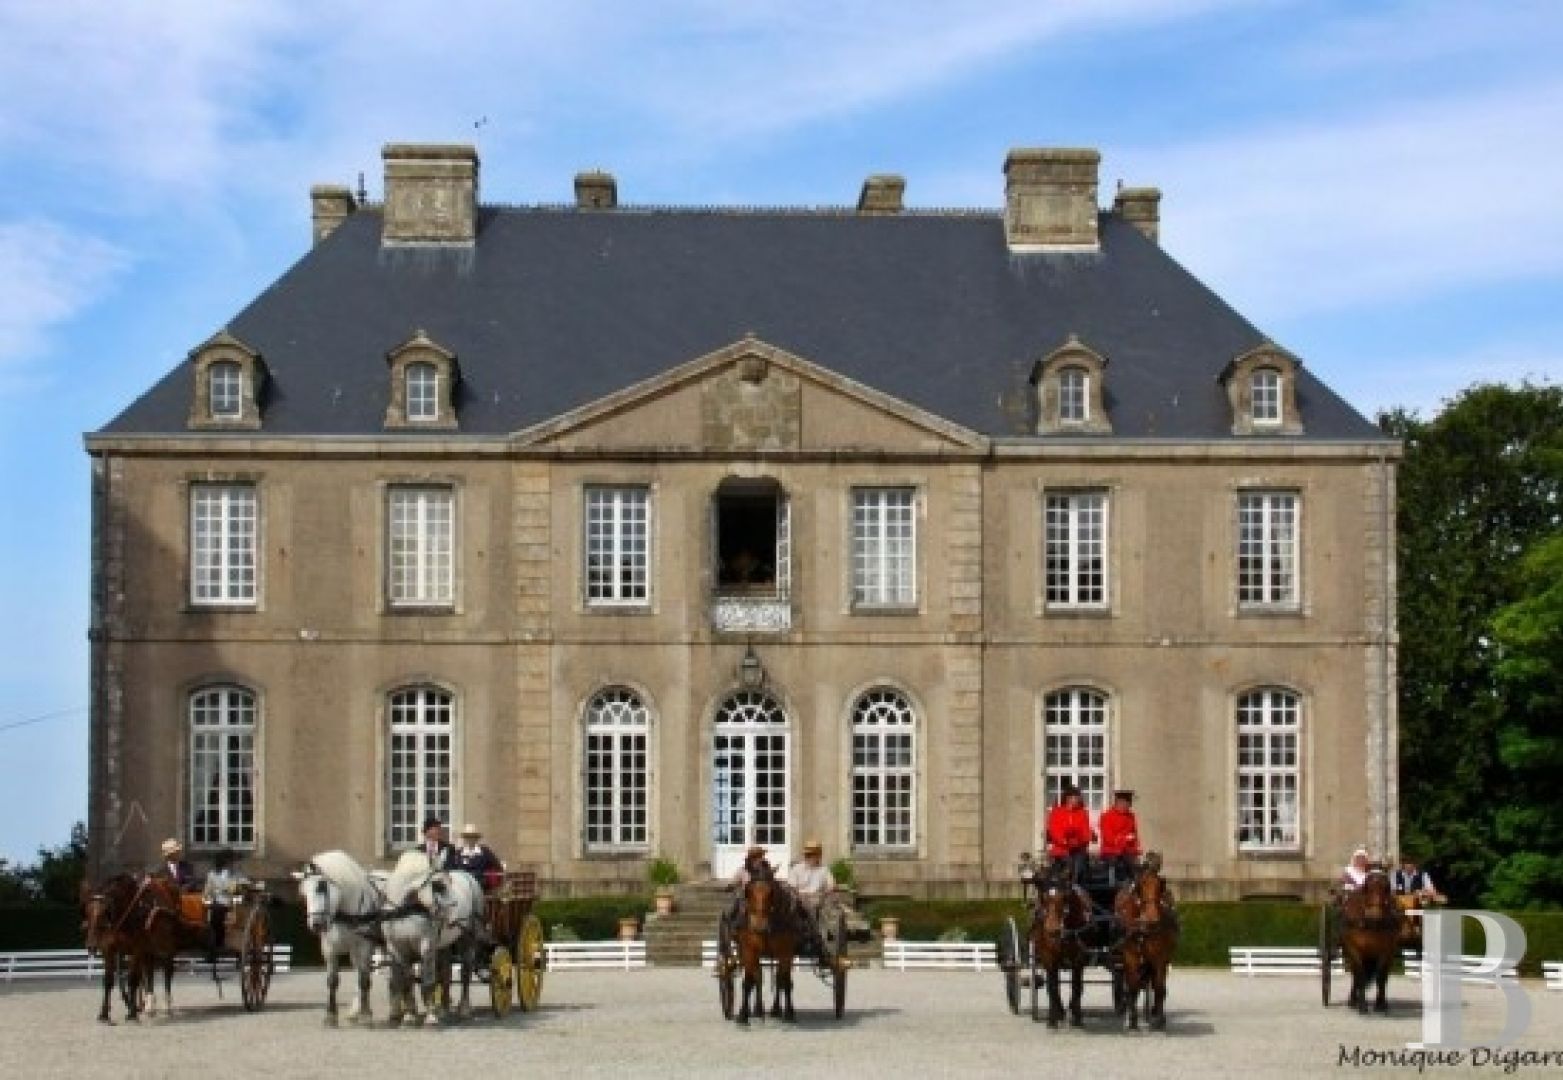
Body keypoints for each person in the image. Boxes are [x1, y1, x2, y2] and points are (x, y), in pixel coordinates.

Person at [787, 839, 837, 952]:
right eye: (808, 855)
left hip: (817, 899)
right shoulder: (797, 869)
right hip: (799, 899)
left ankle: (814, 936)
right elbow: (791, 886)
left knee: (817, 907)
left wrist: (826, 891)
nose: (809, 857)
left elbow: (832, 885)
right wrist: (799, 895)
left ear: (819, 855)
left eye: (812, 855)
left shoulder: (824, 870)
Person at [1045, 782, 1096, 885]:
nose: (1077, 800)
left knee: (1080, 864)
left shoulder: (1082, 813)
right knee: (1068, 864)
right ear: (1068, 798)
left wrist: (1085, 838)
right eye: (1074, 797)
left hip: (1078, 848)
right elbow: (1054, 830)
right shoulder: (1057, 812)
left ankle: (1075, 885)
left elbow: (1085, 830)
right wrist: (1064, 841)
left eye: (1078, 798)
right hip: (1061, 849)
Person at [203, 849, 249, 961]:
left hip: (234, 902)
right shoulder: (212, 875)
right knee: (216, 912)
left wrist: (240, 890)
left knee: (233, 913)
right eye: (229, 860)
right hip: (218, 903)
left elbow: (245, 885)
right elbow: (207, 893)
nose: (231, 863)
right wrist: (208, 901)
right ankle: (215, 946)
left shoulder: (237, 874)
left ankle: (235, 947)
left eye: (232, 860)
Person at [1097, 789, 1143, 883]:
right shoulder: (1106, 816)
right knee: (1119, 863)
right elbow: (1109, 838)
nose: (1127, 806)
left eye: (1128, 803)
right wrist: (1124, 839)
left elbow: (1134, 835)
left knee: (1137, 865)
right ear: (1117, 802)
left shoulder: (1131, 816)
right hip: (1111, 851)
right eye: (1124, 803)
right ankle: (1116, 884)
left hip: (1127, 851)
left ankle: (1134, 885)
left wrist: (1136, 848)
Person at [724, 845, 772, 931]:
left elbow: (772, 883)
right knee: (732, 909)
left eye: (761, 856)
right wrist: (730, 886)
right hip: (746, 898)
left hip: (765, 898)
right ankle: (732, 927)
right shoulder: (743, 871)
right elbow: (734, 881)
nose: (760, 859)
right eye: (758, 856)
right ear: (751, 858)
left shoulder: (767, 870)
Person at [453, 823, 504, 891]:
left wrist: (490, 880)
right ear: (464, 838)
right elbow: (455, 870)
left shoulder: (485, 851)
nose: (470, 839)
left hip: (481, 885)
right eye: (467, 837)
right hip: (463, 886)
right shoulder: (459, 853)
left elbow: (497, 866)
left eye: (472, 837)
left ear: (476, 838)